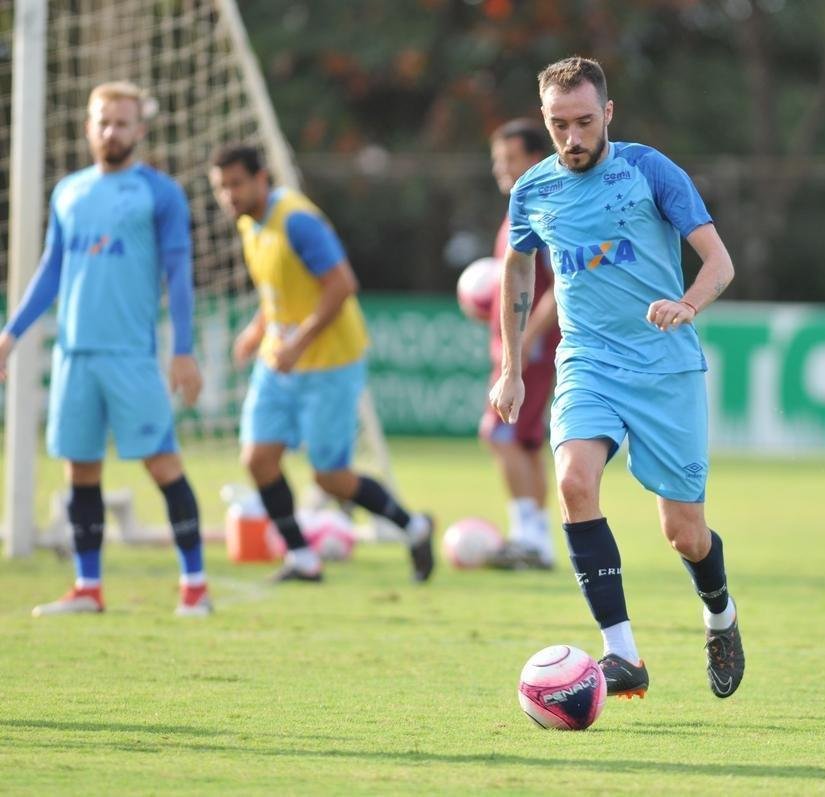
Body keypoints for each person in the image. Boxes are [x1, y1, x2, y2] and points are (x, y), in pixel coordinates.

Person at [489, 56, 745, 699]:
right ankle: (621, 654)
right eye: (558, 125)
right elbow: (518, 273)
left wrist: (687, 304)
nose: (571, 139)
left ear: (606, 113)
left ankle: (720, 615)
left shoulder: (649, 170)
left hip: (664, 363)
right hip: (588, 360)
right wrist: (512, 365)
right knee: (575, 482)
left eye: (582, 122)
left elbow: (720, 262)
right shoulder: (533, 190)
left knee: (683, 533)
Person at [0, 81, 211, 617]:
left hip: (130, 357)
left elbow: (178, 274)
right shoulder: (69, 191)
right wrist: (11, 333)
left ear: (140, 130)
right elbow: (51, 270)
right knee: (81, 471)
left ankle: (195, 588)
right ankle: (88, 588)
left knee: (163, 466)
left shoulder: (159, 193)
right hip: (75, 356)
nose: (111, 131)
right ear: (88, 127)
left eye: (122, 122)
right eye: (103, 121)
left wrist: (182, 349)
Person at [208, 144, 434, 583]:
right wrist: (258, 331)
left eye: (236, 183)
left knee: (330, 477)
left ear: (261, 179)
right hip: (280, 361)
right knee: (258, 458)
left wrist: (299, 344)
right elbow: (279, 290)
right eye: (221, 187)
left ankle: (414, 527)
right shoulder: (248, 224)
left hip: (330, 361)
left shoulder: (296, 220)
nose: (229, 195)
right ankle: (302, 558)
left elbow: (341, 285)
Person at [480, 119, 561, 570]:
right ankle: (538, 540)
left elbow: (558, 284)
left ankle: (528, 538)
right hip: (520, 347)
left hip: (528, 348)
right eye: (497, 160)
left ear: (535, 158)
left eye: (509, 159)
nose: (501, 168)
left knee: (498, 432)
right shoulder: (521, 208)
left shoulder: (541, 207)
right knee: (526, 441)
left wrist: (525, 336)